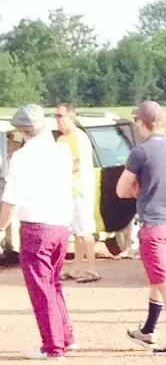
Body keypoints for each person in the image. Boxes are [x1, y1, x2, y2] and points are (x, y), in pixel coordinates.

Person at [0, 105, 75, 359]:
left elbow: (12, 200)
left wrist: (1, 227)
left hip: (36, 227)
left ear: (21, 130)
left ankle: (53, 346)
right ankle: (65, 337)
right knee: (53, 283)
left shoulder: (22, 157)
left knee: (41, 287)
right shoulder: (62, 151)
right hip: (61, 225)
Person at [120, 100, 166, 355]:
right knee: (157, 278)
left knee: (164, 281)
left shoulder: (140, 152)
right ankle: (149, 329)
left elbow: (121, 190)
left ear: (142, 123)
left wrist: (137, 190)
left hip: (153, 223)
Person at [55, 103, 100, 280]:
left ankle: (92, 268)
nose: (58, 120)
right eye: (56, 116)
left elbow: (77, 163)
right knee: (76, 231)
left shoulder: (78, 138)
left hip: (80, 189)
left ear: (71, 116)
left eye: (61, 116)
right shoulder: (61, 139)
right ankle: (77, 267)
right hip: (68, 190)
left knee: (85, 229)